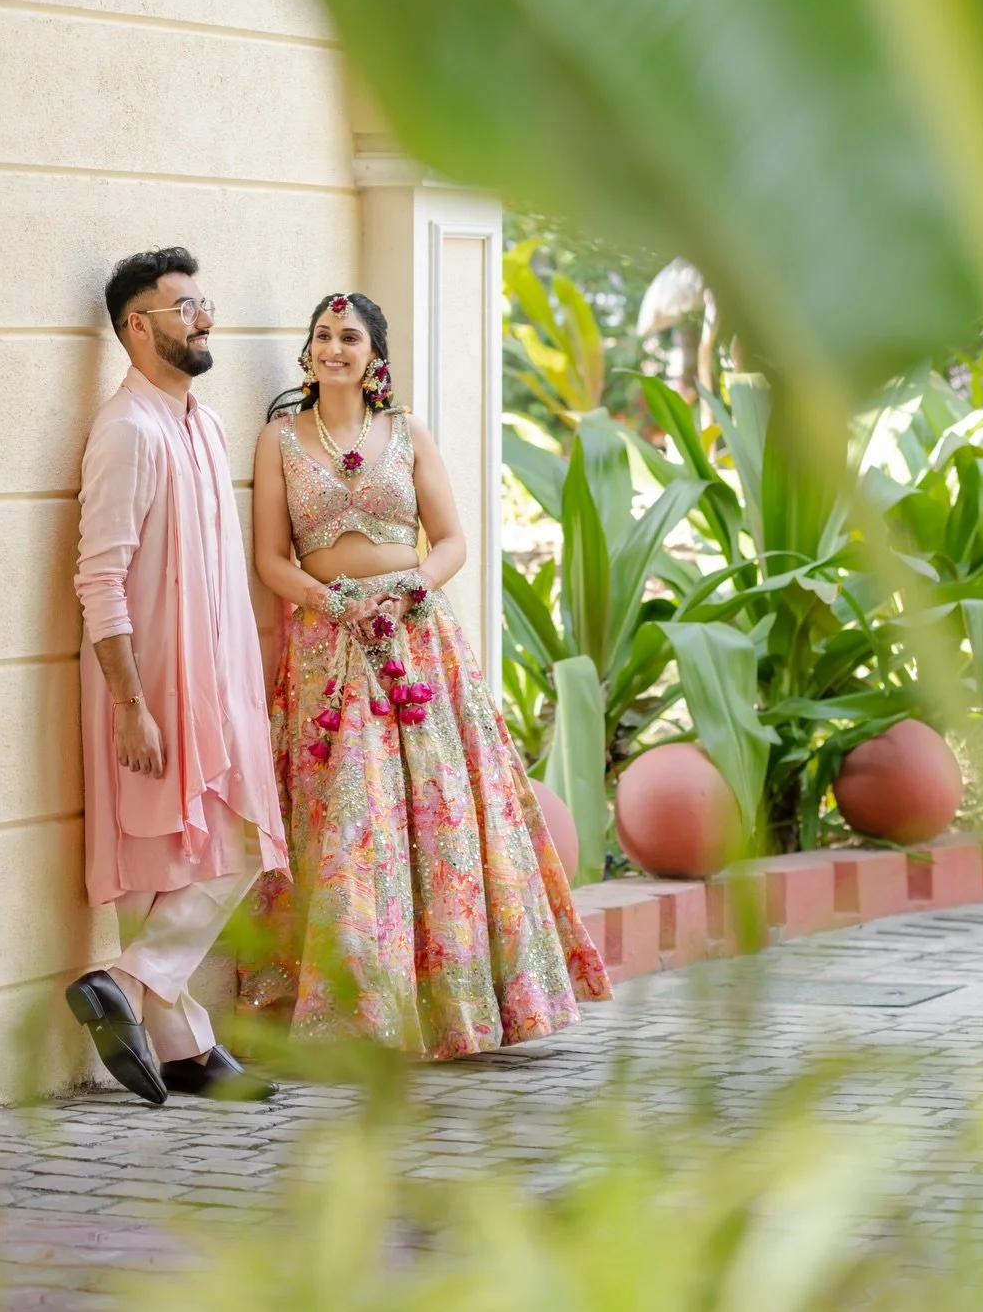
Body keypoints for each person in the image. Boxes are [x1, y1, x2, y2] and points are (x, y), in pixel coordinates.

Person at [244, 291, 609, 1058]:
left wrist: (407, 589)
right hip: (328, 646)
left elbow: (450, 542)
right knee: (351, 816)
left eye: (349, 336)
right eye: (322, 335)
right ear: (307, 352)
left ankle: (451, 1006)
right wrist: (332, 602)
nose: (334, 347)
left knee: (433, 815)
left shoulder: (408, 434)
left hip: (413, 640)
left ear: (374, 356)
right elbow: (270, 558)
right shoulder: (278, 440)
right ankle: (354, 1017)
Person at [65, 247, 288, 1104]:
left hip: (218, 679)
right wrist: (130, 703)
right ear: (137, 326)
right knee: (176, 855)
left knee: (232, 842)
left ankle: (133, 990)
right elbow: (100, 577)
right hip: (152, 684)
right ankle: (180, 1040)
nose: (205, 319)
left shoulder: (205, 424)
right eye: (184, 307)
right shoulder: (127, 429)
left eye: (203, 304)